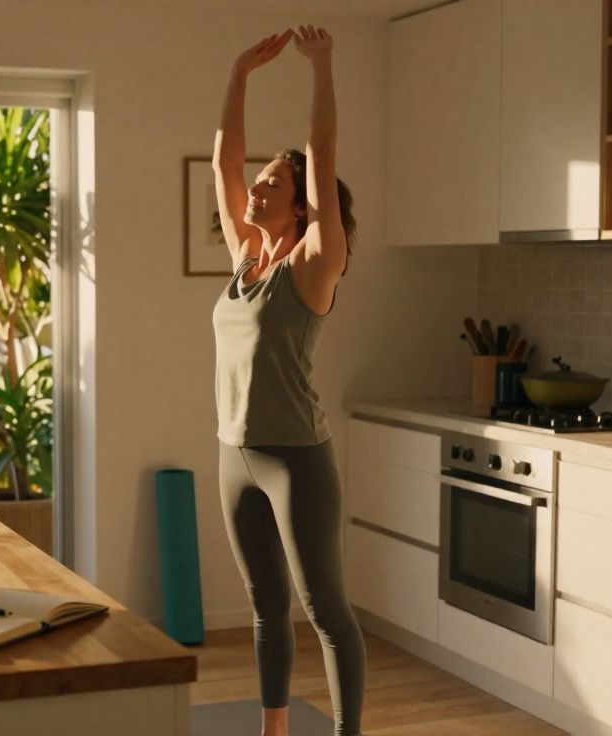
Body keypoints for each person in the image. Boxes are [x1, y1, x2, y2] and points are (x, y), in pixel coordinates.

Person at [210, 26, 365, 736]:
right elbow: (221, 161)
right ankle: (274, 731)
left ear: (304, 205)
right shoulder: (246, 257)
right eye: (261, 175)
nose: (257, 183)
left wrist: (322, 65)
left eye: (274, 179)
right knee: (263, 605)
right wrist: (240, 74)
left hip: (295, 459)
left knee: (325, 610)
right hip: (233, 454)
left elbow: (325, 151)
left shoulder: (312, 264)